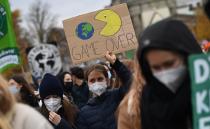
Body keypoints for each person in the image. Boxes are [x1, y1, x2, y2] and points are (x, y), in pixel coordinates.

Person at [137, 19, 202, 129]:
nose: (164, 73)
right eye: (156, 68)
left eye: (169, 64)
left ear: (186, 56)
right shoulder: (148, 98)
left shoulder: (205, 87)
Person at [74, 51, 132, 129]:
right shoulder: (83, 114)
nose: (96, 83)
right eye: (92, 80)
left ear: (107, 81)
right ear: (88, 84)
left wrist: (115, 63)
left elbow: (131, 83)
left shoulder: (118, 95)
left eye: (100, 79)